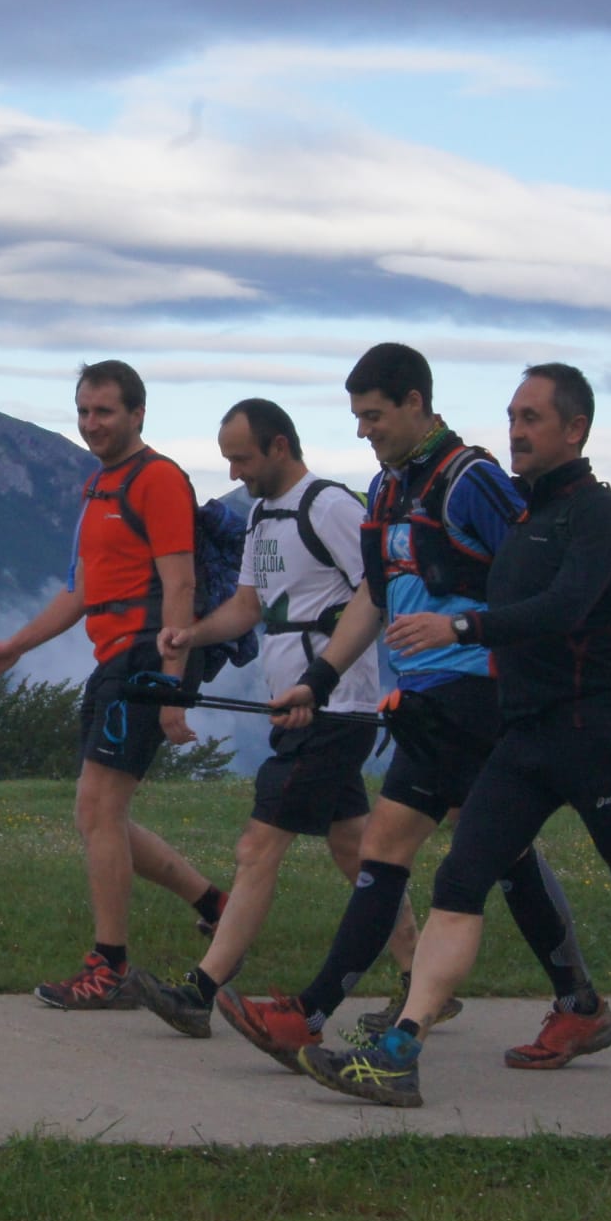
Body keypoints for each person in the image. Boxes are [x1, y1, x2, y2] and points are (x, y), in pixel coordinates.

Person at [298, 364, 611, 1114]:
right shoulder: (523, 518)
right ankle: (400, 1053)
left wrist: (459, 626)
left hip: (597, 736)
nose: (516, 431)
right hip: (526, 735)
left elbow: (563, 607)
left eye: (533, 419)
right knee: (459, 879)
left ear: (574, 430)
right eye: (512, 416)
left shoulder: (597, 515)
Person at [224, 343, 611, 1073]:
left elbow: (539, 579)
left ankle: (308, 1016)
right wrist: (320, 676)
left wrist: (517, 674)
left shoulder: (473, 482)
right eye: (358, 418)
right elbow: (374, 595)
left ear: (414, 402)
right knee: (493, 848)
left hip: (478, 693)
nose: (365, 431)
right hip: (429, 700)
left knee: (391, 848)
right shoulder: (387, 490)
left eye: (374, 416)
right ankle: (580, 1004)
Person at [128, 398, 419, 1037]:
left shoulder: (332, 508)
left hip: (333, 709)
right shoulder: (262, 515)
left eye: (243, 458)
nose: (234, 473)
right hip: (295, 707)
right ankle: (422, 981)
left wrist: (324, 680)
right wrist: (191, 636)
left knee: (257, 847)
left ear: (280, 447)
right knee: (356, 850)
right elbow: (248, 608)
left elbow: (376, 591)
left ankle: (200, 992)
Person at [0, 360, 227, 1009]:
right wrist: (17, 645)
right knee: (100, 814)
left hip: (148, 656)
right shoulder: (99, 489)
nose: (91, 424)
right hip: (118, 657)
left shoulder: (159, 479)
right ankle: (215, 903)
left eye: (104, 411)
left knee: (98, 810)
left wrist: (171, 686)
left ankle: (109, 966)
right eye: (83, 411)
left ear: (138, 414)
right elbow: (83, 591)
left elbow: (180, 585)